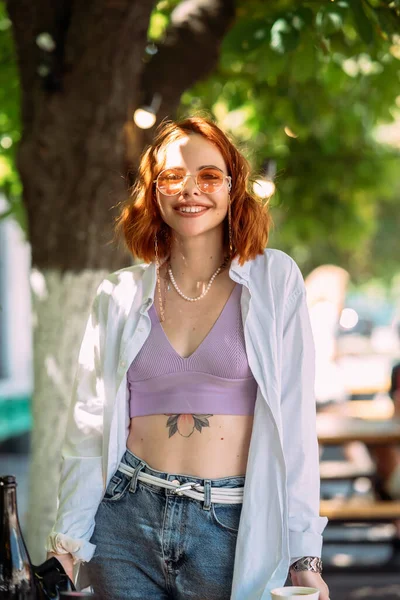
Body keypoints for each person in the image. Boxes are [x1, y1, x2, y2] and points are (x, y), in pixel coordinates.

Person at [46, 116, 330, 600]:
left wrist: (305, 557)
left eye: (208, 175)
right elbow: (88, 426)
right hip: (124, 520)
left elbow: (296, 423)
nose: (190, 189)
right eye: (172, 176)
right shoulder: (117, 294)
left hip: (230, 525)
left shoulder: (274, 280)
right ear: (153, 193)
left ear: (232, 186)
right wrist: (66, 545)